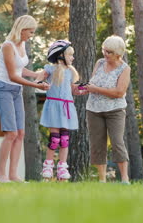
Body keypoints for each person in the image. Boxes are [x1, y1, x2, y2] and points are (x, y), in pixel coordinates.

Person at [0, 15, 50, 183]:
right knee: (11, 133)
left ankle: (13, 175)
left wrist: (37, 75)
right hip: (3, 89)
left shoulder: (22, 44)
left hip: (16, 90)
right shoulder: (7, 46)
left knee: (21, 133)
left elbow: (20, 70)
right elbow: (12, 75)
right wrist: (36, 86)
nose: (31, 35)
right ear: (22, 29)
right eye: (30, 32)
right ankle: (1, 175)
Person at [85, 35, 131, 184]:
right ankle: (102, 179)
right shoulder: (99, 63)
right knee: (97, 143)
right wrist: (83, 89)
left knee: (117, 142)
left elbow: (119, 92)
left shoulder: (124, 68)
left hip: (115, 110)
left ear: (118, 53)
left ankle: (124, 178)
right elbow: (92, 83)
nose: (105, 54)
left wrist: (96, 89)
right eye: (104, 50)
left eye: (109, 52)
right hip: (94, 109)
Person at [40, 40, 86, 181]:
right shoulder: (49, 69)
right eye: (70, 55)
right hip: (54, 106)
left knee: (65, 139)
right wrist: (40, 83)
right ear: (60, 55)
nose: (72, 58)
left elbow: (73, 89)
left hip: (66, 107)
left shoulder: (70, 72)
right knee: (54, 139)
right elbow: (39, 79)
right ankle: (48, 167)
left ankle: (62, 167)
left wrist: (82, 90)